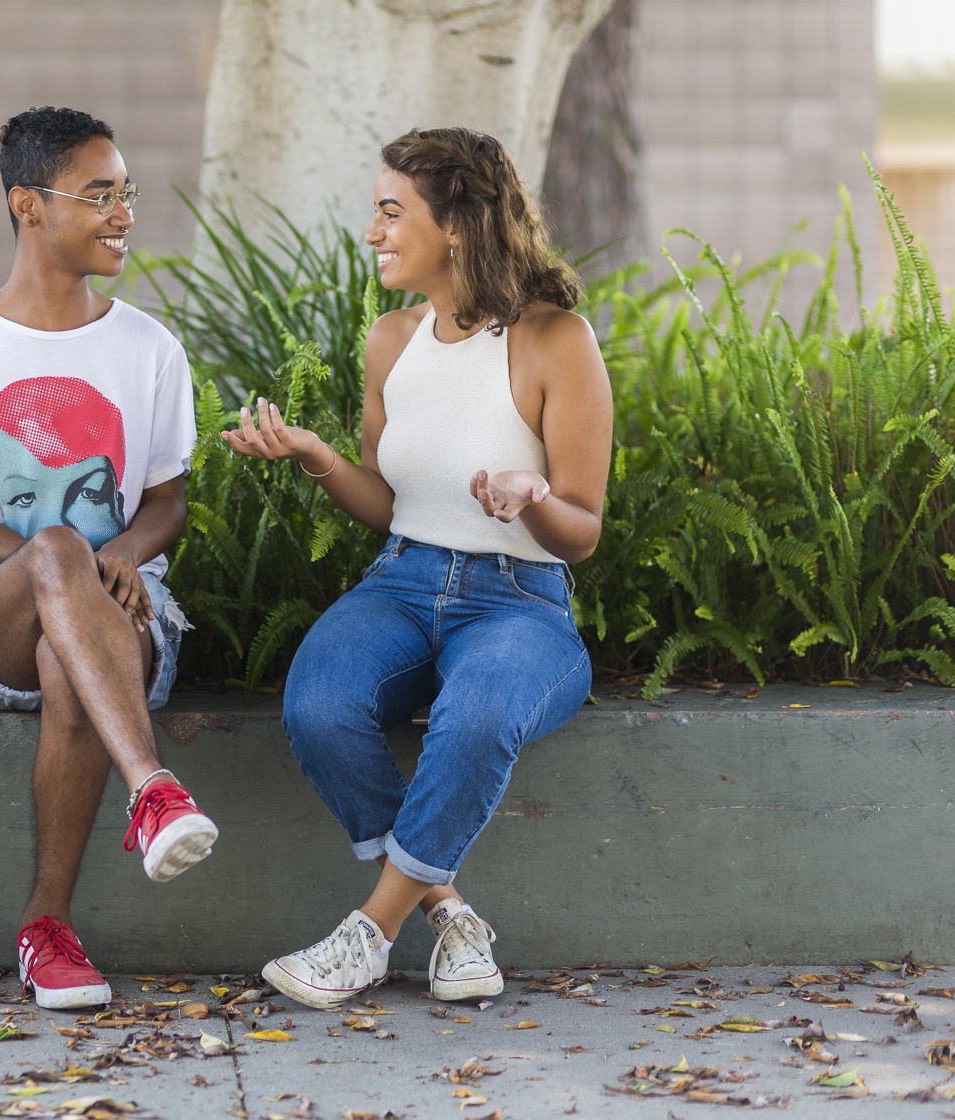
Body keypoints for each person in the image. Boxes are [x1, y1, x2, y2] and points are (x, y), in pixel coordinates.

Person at [225, 126, 611, 1010]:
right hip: (401, 583)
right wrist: (315, 454)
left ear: (461, 225)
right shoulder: (391, 341)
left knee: (477, 716)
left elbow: (581, 532)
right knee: (320, 705)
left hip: (521, 605)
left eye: (393, 212)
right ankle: (453, 915)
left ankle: (370, 932)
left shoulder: (556, 340)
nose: (374, 233)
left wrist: (533, 494)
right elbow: (392, 501)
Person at [0, 106, 217, 1011]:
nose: (123, 214)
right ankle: (151, 786)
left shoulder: (149, 349)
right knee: (55, 555)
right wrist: (64, 559)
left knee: (67, 659)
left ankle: (49, 930)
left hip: (127, 615)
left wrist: (118, 560)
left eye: (127, 195)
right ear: (28, 204)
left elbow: (166, 502)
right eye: (99, 194)